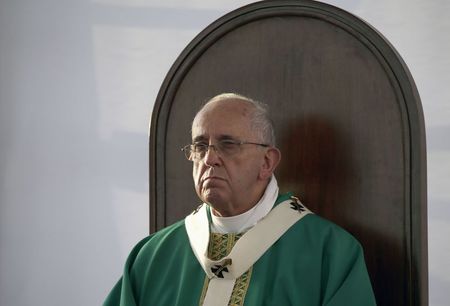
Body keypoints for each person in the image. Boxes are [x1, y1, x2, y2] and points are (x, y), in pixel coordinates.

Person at [104, 93, 377, 306]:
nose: (210, 159)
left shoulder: (330, 253)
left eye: (228, 144)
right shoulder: (152, 257)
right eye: (200, 146)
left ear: (267, 162)